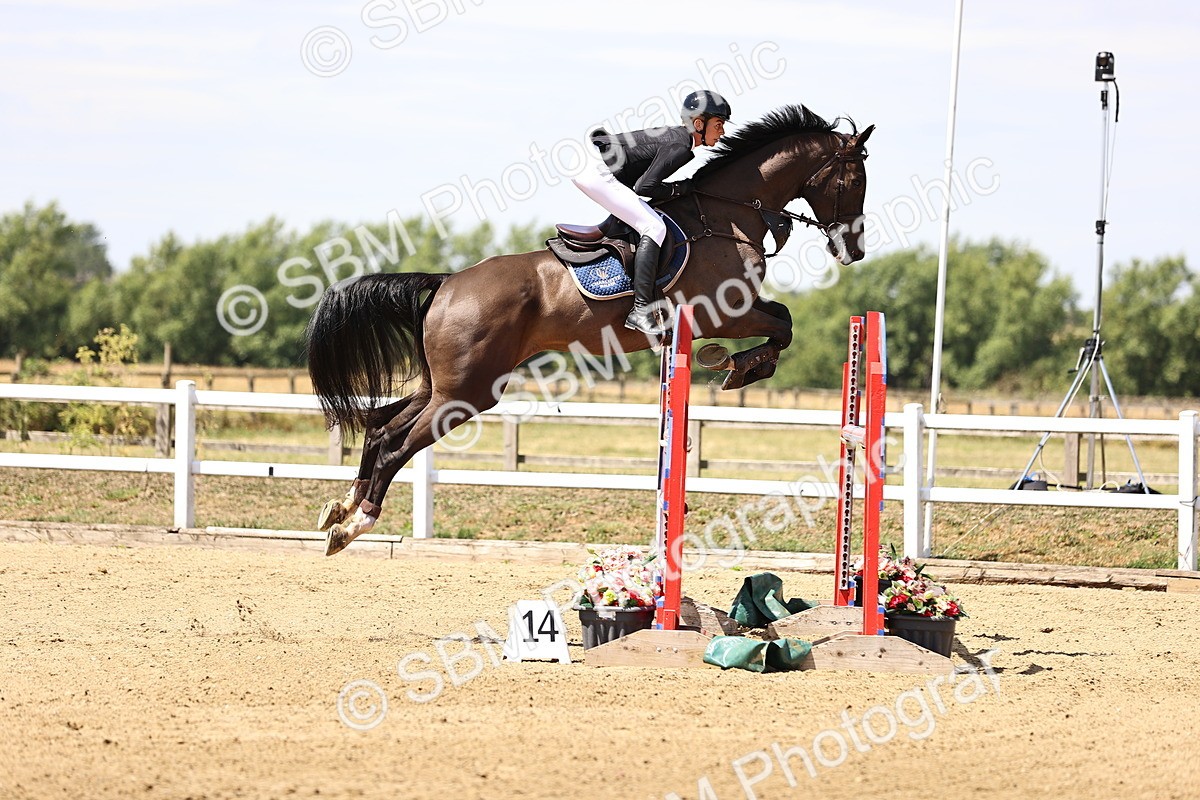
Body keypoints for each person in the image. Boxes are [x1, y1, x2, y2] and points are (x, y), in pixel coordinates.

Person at [573, 89, 731, 337]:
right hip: (596, 173)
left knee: (647, 217)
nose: (722, 132)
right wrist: (682, 188)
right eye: (719, 125)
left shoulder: (679, 139)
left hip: (597, 168)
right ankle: (640, 311)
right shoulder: (680, 145)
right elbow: (645, 187)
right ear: (699, 124)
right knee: (654, 227)